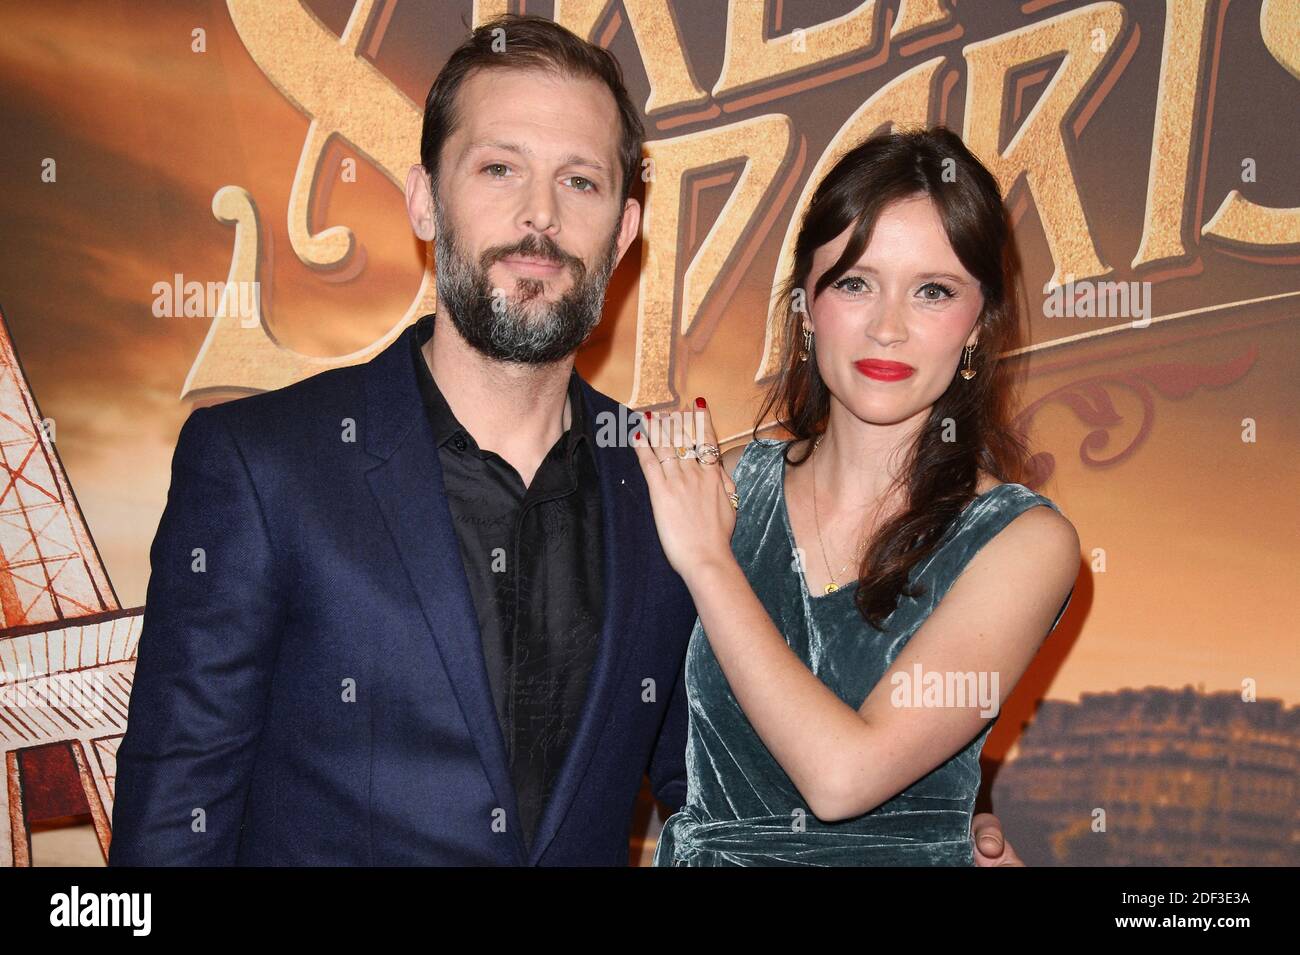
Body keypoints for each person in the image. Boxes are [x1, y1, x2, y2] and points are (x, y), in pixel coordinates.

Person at [108, 14, 1019, 866]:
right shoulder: (263, 465)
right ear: (426, 202)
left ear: (624, 231)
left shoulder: (673, 487)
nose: (539, 217)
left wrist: (922, 835)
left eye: (580, 181)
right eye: (499, 169)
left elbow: (714, 781)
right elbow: (174, 817)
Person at [638, 127, 1079, 866]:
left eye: (932, 291)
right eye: (854, 282)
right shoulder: (716, 489)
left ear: (978, 324)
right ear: (806, 308)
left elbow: (842, 780)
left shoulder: (1022, 543)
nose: (887, 326)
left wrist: (709, 566)